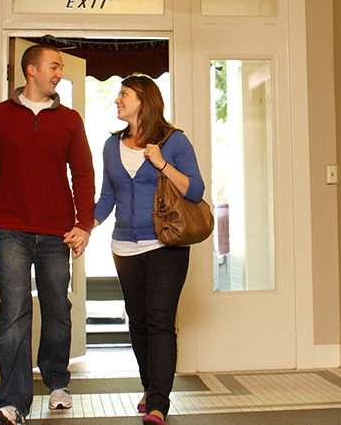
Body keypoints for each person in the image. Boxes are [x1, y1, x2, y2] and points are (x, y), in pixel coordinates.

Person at [0, 44, 95, 425]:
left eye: (60, 67)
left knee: (57, 308)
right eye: (53, 66)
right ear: (31, 70)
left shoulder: (70, 120)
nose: (58, 73)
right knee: (14, 313)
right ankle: (11, 402)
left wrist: (83, 223)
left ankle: (57, 381)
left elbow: (84, 174)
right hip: (11, 230)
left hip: (58, 232)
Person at [93, 74, 205, 425]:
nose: (117, 100)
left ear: (143, 100)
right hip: (124, 246)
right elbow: (107, 196)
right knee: (138, 323)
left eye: (123, 94)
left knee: (159, 322)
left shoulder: (174, 142)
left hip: (164, 244)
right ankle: (149, 386)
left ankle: (158, 403)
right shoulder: (112, 146)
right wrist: (85, 226)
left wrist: (161, 164)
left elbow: (195, 191)